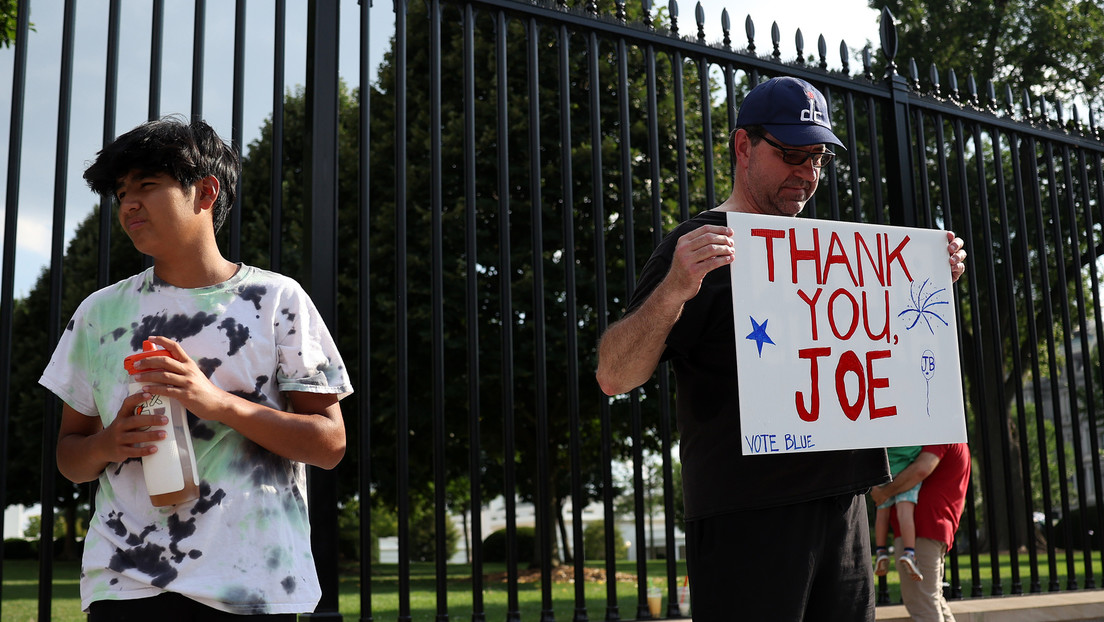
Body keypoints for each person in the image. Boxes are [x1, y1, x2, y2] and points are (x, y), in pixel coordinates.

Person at [594, 76, 967, 621]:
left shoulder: (833, 256)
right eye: (791, 154)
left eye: (817, 158)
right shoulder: (697, 246)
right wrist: (675, 287)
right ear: (744, 147)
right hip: (748, 518)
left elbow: (892, 352)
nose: (807, 173)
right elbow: (614, 375)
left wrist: (925, 281)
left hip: (845, 509)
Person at [39, 117, 352, 621]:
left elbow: (329, 444)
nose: (129, 204)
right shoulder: (100, 313)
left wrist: (216, 403)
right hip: (126, 586)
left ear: (206, 192)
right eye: (121, 193)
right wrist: (108, 443)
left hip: (251, 583)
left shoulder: (277, 300)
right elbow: (70, 458)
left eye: (147, 185)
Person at [871, 444, 971, 622]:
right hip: (930, 528)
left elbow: (921, 469)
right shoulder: (953, 434)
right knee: (933, 599)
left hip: (921, 528)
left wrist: (883, 493)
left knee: (922, 604)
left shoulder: (940, 432)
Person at [873, 445, 924, 581]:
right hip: (906, 469)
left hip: (885, 468)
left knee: (881, 513)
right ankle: (909, 553)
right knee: (905, 513)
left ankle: (881, 551)